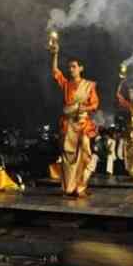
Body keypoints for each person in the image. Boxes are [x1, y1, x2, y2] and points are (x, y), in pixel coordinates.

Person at [49, 42, 100, 198]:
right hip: (68, 124)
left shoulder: (88, 85)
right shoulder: (66, 84)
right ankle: (69, 188)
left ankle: (81, 187)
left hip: (83, 123)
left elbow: (95, 104)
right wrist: (55, 54)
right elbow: (55, 72)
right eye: (70, 67)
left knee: (85, 153)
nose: (71, 69)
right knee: (67, 156)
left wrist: (85, 108)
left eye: (74, 66)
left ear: (81, 68)